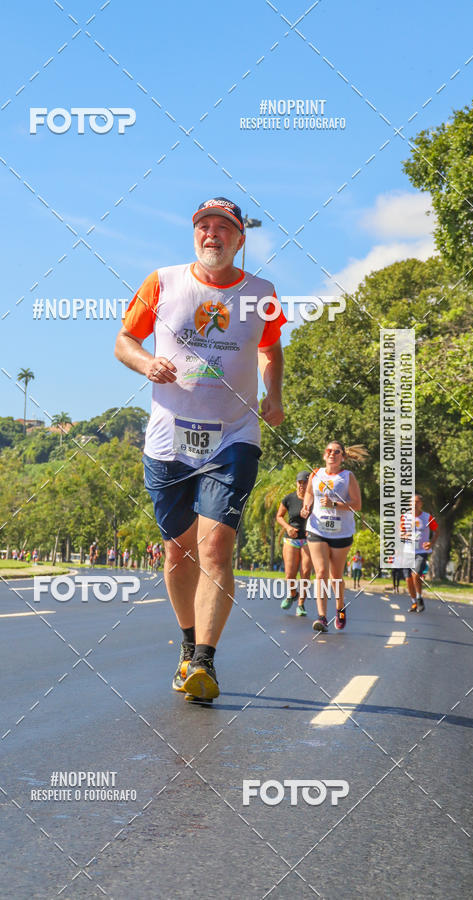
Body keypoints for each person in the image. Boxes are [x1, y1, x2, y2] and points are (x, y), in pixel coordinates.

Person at [114, 196, 286, 701]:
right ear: (196, 234)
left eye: (223, 228)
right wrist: (146, 364)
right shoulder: (163, 281)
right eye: (204, 226)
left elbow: (270, 348)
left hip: (233, 435)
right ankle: (188, 648)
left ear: (240, 239)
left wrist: (273, 393)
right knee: (178, 550)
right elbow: (124, 339)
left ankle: (205, 663)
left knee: (215, 545)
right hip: (168, 436)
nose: (212, 234)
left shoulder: (262, 293)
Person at [301, 441, 367, 633]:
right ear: (324, 455)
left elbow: (357, 504)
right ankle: (321, 617)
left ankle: (340, 607)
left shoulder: (348, 477)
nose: (332, 454)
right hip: (317, 529)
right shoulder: (316, 473)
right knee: (321, 572)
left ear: (343, 457)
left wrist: (335, 505)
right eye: (329, 451)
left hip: (341, 532)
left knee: (336, 576)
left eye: (337, 452)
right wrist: (306, 506)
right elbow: (309, 494)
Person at [275, 471, 312, 615]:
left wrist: (313, 529)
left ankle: (301, 605)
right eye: (300, 482)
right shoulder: (289, 498)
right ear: (296, 483)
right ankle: (292, 594)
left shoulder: (313, 500)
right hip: (291, 539)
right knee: (290, 574)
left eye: (305, 482)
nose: (302, 485)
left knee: (306, 573)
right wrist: (288, 527)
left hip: (309, 540)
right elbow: (279, 516)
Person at [401, 494, 439, 613]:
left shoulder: (427, 517)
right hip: (407, 551)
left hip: (421, 551)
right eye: (412, 502)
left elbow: (436, 531)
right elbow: (400, 533)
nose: (414, 504)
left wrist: (431, 543)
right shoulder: (405, 517)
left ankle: (419, 598)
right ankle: (413, 602)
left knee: (416, 575)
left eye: (417, 502)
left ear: (421, 504)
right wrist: (404, 535)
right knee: (408, 579)